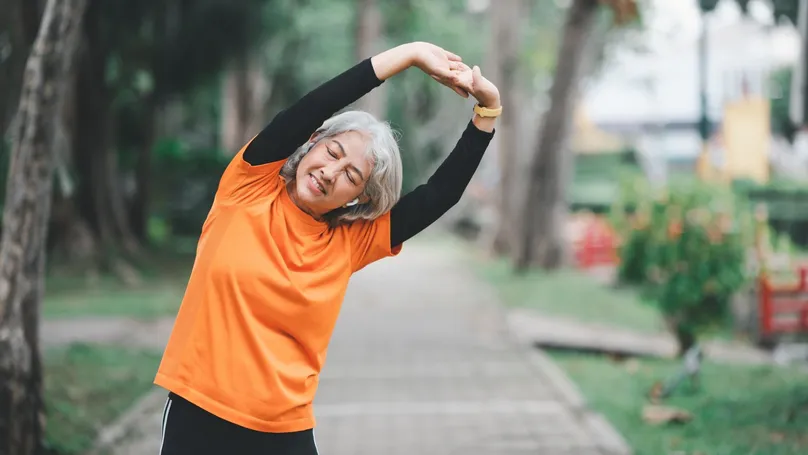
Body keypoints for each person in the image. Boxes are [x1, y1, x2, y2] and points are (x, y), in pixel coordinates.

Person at [154, 41, 501, 454]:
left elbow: (439, 194)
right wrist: (407, 55)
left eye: (351, 175)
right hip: (198, 415)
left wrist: (488, 110)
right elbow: (318, 103)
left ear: (358, 197)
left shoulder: (350, 242)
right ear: (313, 140)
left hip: (283, 431)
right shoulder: (247, 187)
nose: (330, 172)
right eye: (332, 152)